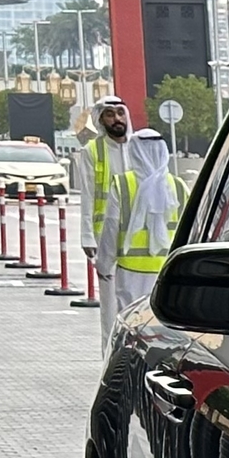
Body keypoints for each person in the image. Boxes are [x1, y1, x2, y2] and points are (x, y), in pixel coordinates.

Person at [105, 128, 185, 314]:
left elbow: (111, 229)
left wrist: (104, 265)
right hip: (168, 271)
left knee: (132, 325)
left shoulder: (122, 184)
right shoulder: (178, 186)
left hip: (131, 273)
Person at [73, 95, 131, 348]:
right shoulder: (92, 151)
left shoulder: (139, 146)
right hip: (106, 237)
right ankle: (109, 358)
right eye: (110, 114)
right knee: (109, 306)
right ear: (100, 119)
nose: (117, 119)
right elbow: (87, 193)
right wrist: (87, 235)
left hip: (140, 239)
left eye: (120, 113)